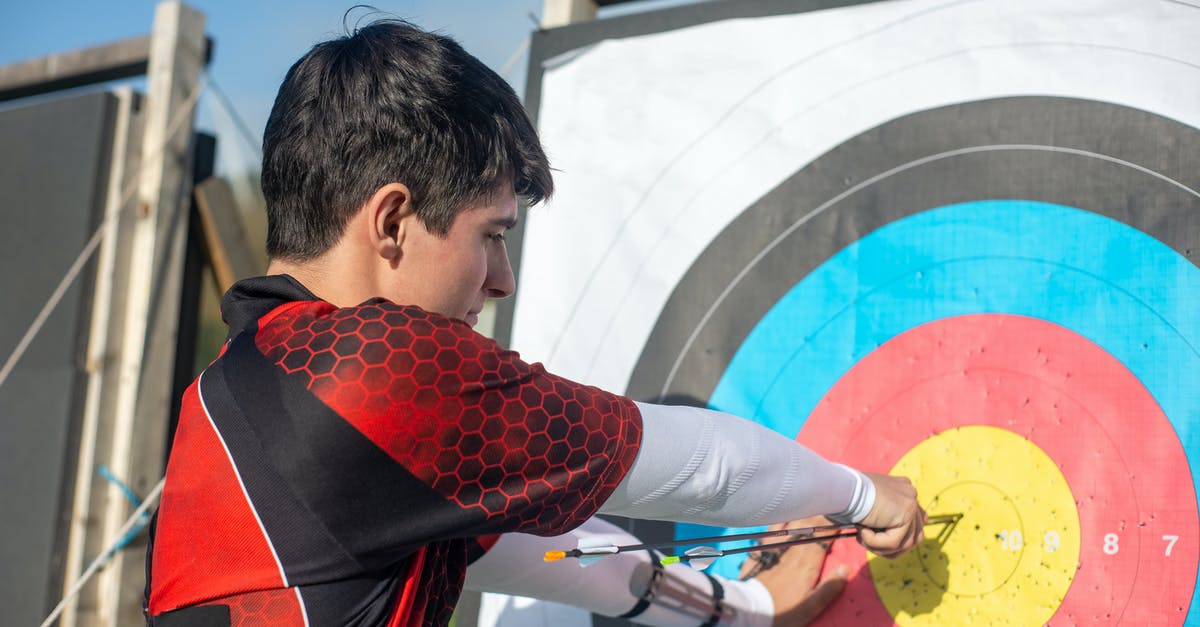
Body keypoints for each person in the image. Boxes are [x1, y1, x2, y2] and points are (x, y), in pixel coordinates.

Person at [143, 19, 925, 627]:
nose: (502, 279)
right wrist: (864, 496)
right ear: (391, 221)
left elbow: (551, 557)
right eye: (492, 234)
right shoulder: (372, 369)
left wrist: (744, 608)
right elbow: (699, 463)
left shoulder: (230, 396)